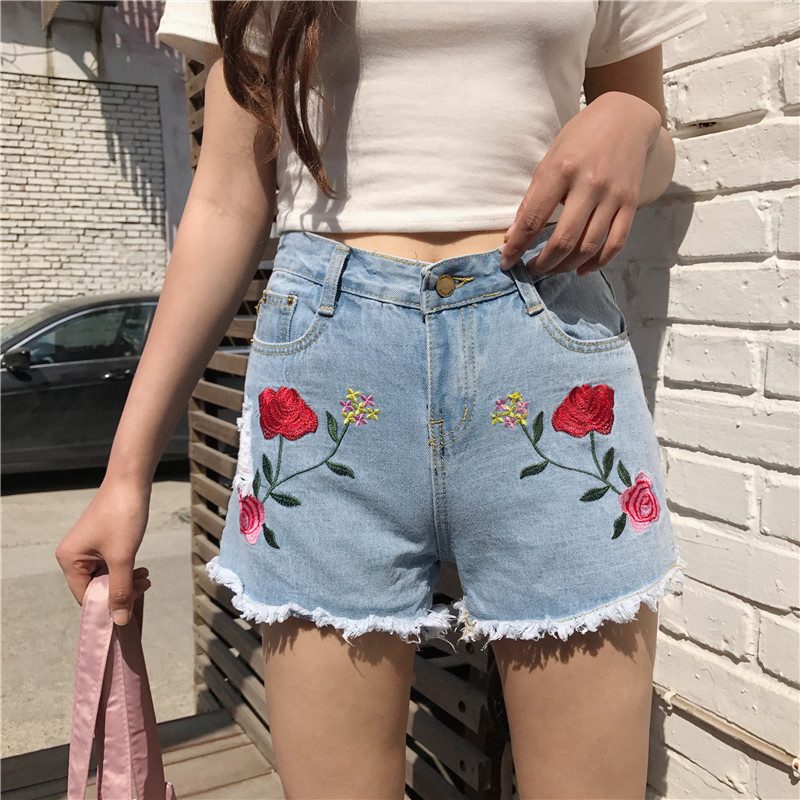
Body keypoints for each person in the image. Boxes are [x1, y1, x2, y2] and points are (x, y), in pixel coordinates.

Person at [56, 2, 707, 797]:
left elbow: (652, 147)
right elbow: (226, 196)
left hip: (548, 360)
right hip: (328, 373)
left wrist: (631, 120)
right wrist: (125, 475)